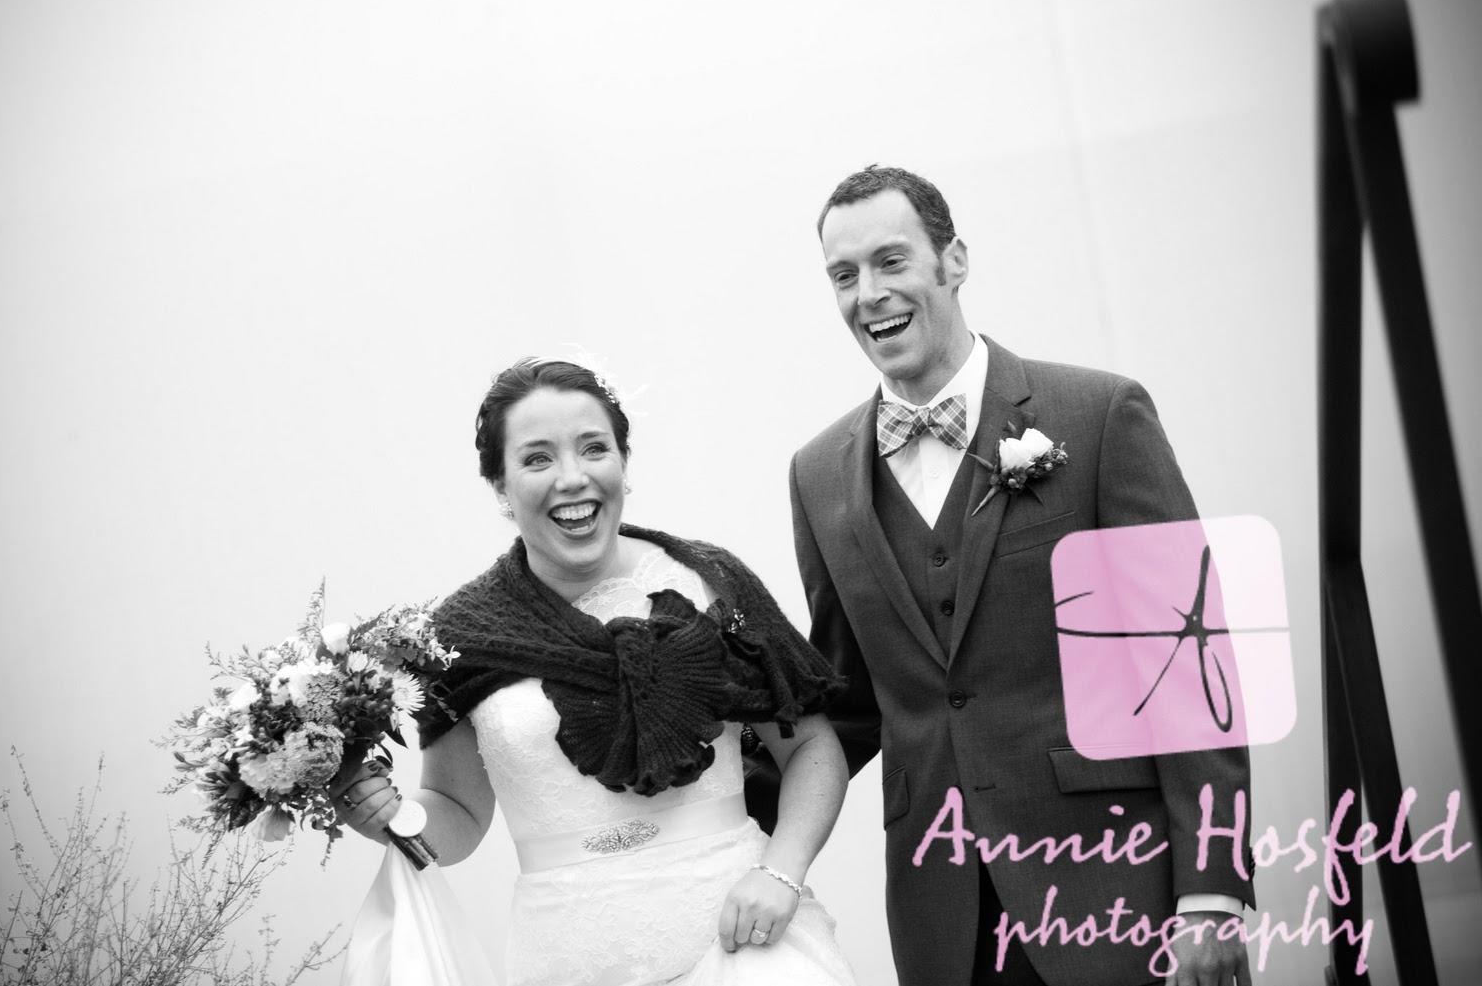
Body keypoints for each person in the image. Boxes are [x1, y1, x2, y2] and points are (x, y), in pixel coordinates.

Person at [783, 166, 1255, 986]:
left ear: (954, 260)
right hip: (946, 921)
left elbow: (1188, 660)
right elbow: (848, 705)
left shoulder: (1099, 415)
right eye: (843, 275)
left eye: (891, 261)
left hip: (1121, 889)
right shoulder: (818, 475)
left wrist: (1211, 890)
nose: (869, 294)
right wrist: (703, 810)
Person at [335, 358, 860, 986]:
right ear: (499, 487)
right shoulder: (457, 640)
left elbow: (811, 747)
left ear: (623, 463)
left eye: (594, 448)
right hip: (566, 961)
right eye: (537, 458)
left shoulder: (710, 583)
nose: (573, 477)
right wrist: (387, 816)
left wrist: (781, 872)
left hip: (743, 944)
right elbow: (459, 817)